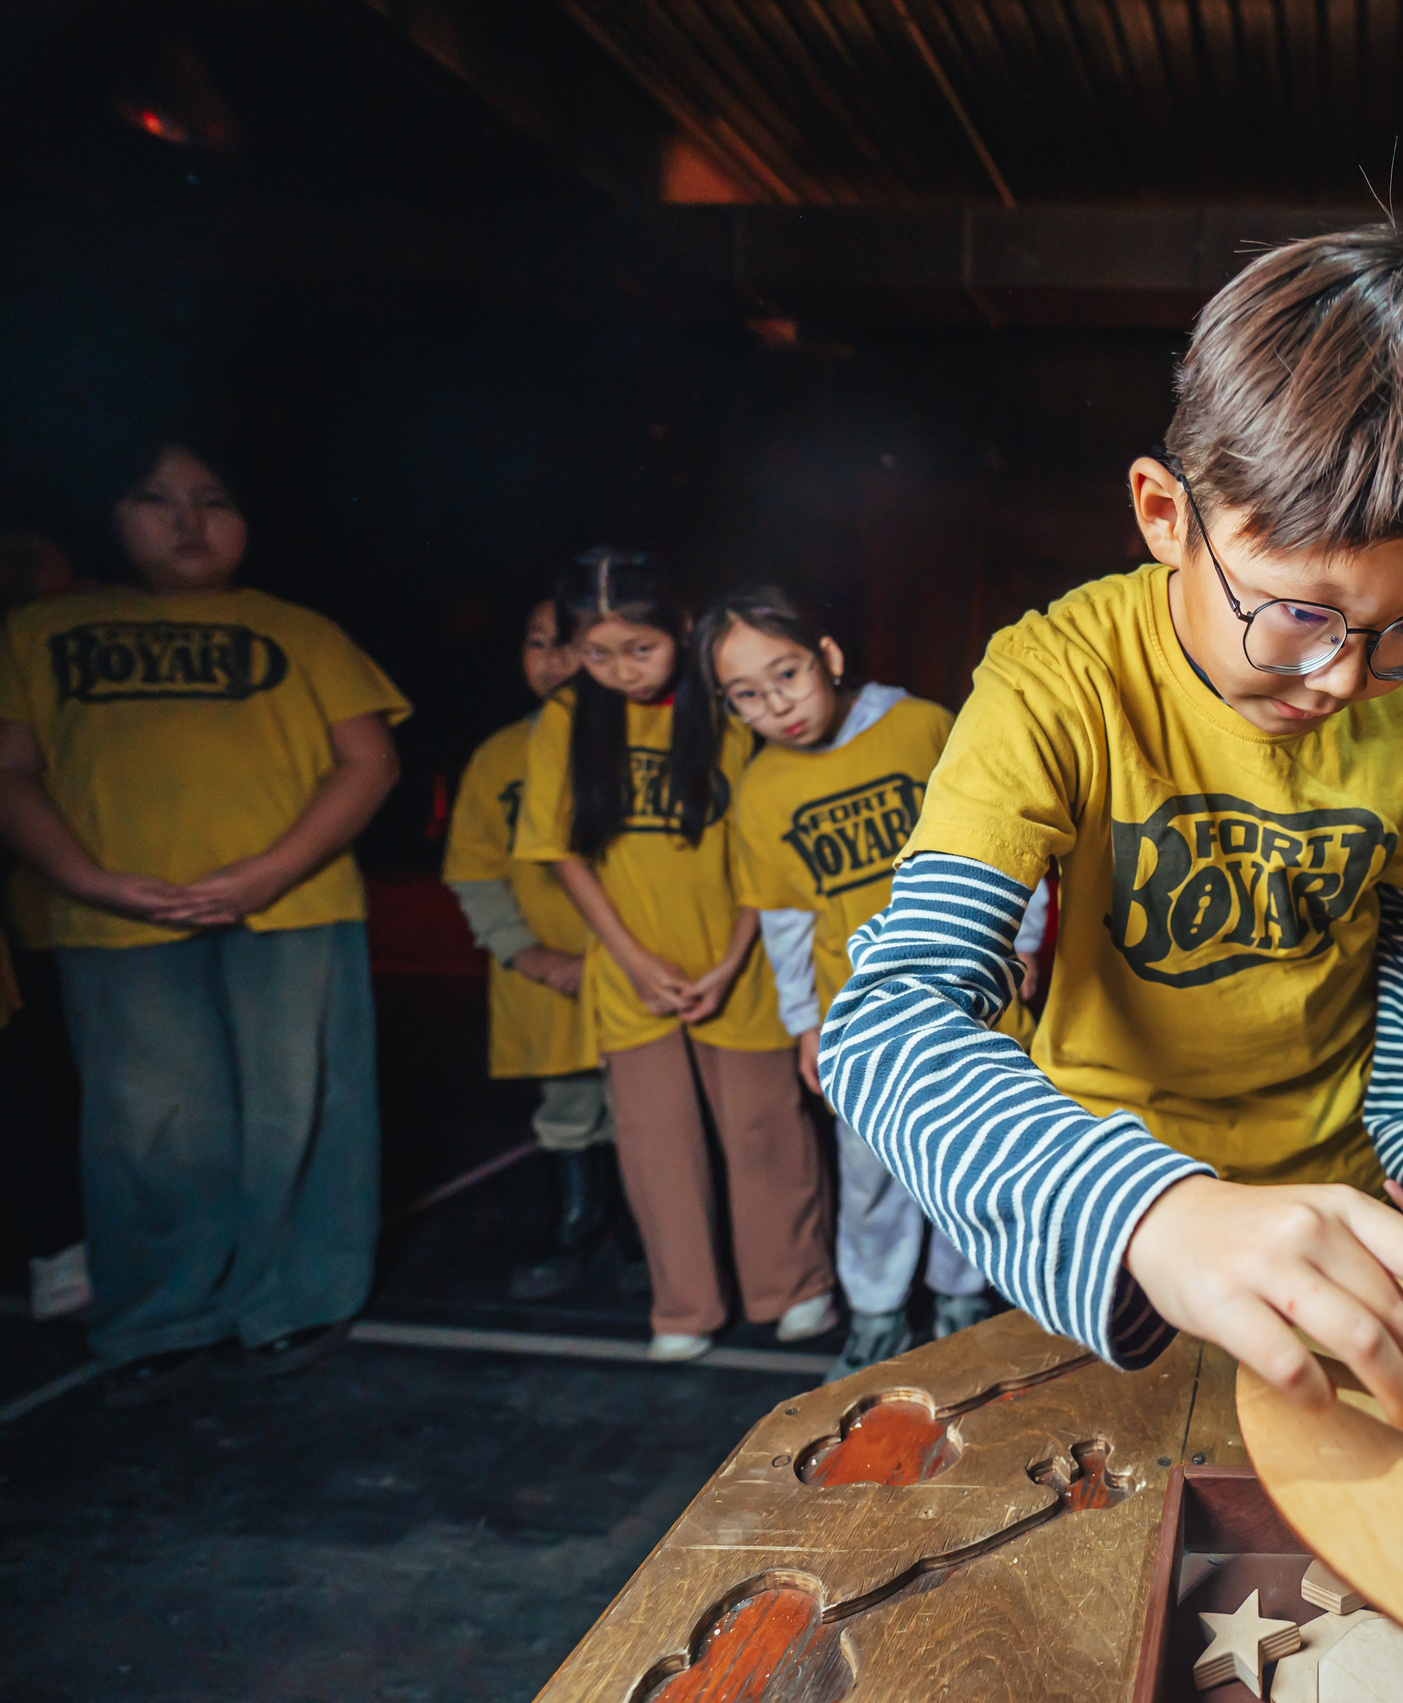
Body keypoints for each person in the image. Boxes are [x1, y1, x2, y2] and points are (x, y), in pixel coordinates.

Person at [819, 226, 1403, 1432]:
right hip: (1109, 1205)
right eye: (1301, 612)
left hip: (1339, 1198)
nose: (1345, 679)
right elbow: (890, 1018)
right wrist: (1151, 1209)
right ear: (1165, 513)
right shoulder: (1057, 680)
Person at [0, 434, 407, 1403]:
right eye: (154, 498)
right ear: (109, 518)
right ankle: (159, 1311)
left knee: (298, 1109)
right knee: (150, 1124)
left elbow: (370, 764)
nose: (186, 520)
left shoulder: (298, 629)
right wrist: (86, 877)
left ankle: (293, 1300)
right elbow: (11, 772)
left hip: (292, 907)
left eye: (211, 498)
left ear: (246, 521)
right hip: (117, 919)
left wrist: (268, 870)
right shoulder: (39, 632)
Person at [707, 586, 1049, 1375]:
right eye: (747, 695)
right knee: (870, 1178)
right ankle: (876, 1314)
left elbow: (1012, 831)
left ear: (826, 657)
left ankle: (963, 1303)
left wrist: (1021, 940)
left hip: (973, 995)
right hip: (864, 1017)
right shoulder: (759, 792)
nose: (777, 705)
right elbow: (787, 921)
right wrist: (807, 1025)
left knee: (977, 1158)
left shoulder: (919, 725)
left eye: (787, 673)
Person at [514, 551, 833, 1363]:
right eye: (597, 653)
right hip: (633, 968)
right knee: (658, 1146)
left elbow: (767, 841)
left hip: (738, 957)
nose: (620, 670)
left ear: (681, 631)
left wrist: (732, 959)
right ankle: (684, 1303)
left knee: (765, 1133)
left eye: (640, 649)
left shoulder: (728, 712)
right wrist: (626, 956)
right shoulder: (566, 721)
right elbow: (560, 852)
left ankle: (793, 1287)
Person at [443, 597, 618, 1300]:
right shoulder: (497, 756)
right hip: (550, 973)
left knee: (646, 1110)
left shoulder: (640, 745)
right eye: (538, 641)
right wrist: (527, 953)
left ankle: (642, 1233)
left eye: (572, 644)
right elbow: (473, 867)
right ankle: (579, 1221)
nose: (554, 660)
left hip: (643, 972)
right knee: (570, 1104)